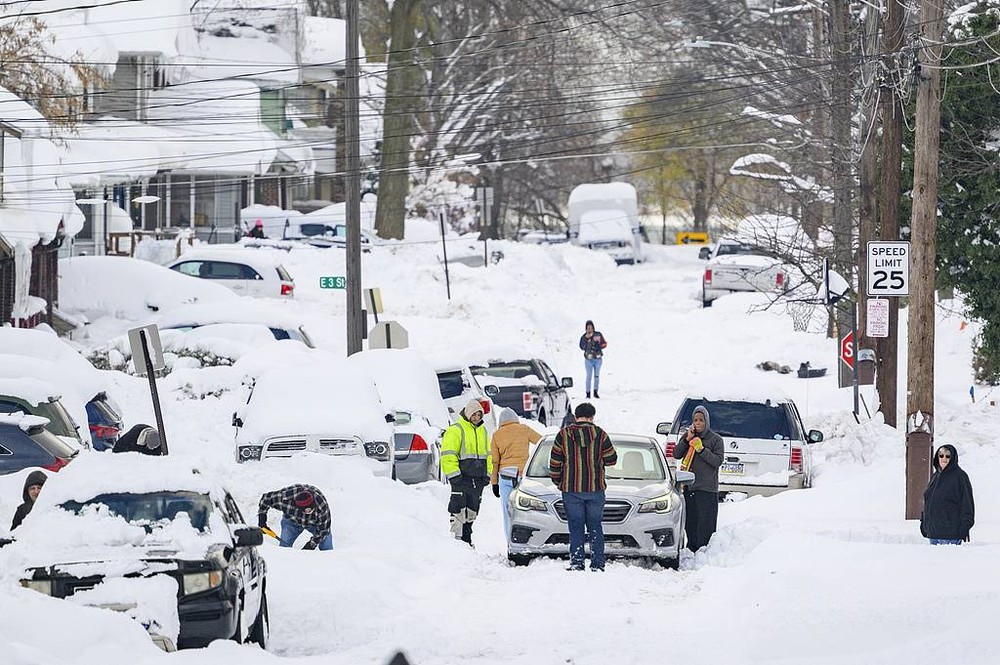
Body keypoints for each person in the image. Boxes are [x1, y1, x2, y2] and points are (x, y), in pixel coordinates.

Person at [549, 402, 617, 571]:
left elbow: (555, 462)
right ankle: (597, 563)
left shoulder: (563, 435)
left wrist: (559, 482)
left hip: (571, 489)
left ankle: (577, 562)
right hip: (595, 489)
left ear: (576, 417)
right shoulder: (600, 435)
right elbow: (612, 459)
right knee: (595, 526)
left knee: (575, 526)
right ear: (592, 417)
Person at [441, 399, 493, 546]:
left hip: (478, 479)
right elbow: (448, 454)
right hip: (461, 479)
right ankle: (457, 543)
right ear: (468, 414)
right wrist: (454, 475)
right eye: (474, 415)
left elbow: (488, 455)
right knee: (458, 510)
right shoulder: (456, 430)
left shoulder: (482, 430)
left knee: (472, 511)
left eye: (479, 415)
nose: (477, 418)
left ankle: (467, 539)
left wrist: (487, 474)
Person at [672, 405, 724, 552]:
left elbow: (717, 461)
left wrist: (701, 449)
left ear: (706, 421)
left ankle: (704, 553)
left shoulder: (715, 440)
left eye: (701, 420)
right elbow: (676, 454)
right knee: (691, 524)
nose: (698, 423)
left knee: (705, 525)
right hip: (689, 487)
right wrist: (686, 440)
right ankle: (691, 550)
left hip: (707, 489)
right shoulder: (689, 436)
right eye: (695, 420)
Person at [490, 407, 542, 538]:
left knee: (508, 510)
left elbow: (495, 462)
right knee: (527, 508)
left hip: (505, 476)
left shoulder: (496, 435)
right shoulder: (524, 429)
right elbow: (540, 442)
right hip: (523, 475)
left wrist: (494, 483)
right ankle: (529, 537)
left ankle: (510, 539)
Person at [920, 444, 975, 545]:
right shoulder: (935, 477)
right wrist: (924, 523)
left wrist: (964, 528)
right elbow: (928, 502)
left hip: (951, 536)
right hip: (933, 534)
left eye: (947, 456)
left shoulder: (960, 476)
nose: (944, 459)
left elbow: (967, 505)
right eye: (941, 455)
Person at [258, 484, 332, 550]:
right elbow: (265, 499)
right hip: (292, 522)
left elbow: (323, 531)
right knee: (284, 549)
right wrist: (262, 520)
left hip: (314, 524)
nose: (308, 512)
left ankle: (329, 561)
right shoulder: (285, 499)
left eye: (310, 510)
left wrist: (310, 545)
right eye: (305, 510)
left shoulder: (321, 505)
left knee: (326, 544)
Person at [578, 320, 607, 398]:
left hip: (598, 358)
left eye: (591, 328)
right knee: (589, 376)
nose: (589, 330)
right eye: (588, 328)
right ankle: (588, 393)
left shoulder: (598, 335)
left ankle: (595, 391)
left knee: (596, 376)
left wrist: (600, 346)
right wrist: (587, 341)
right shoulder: (584, 337)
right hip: (589, 359)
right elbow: (581, 346)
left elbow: (604, 343)